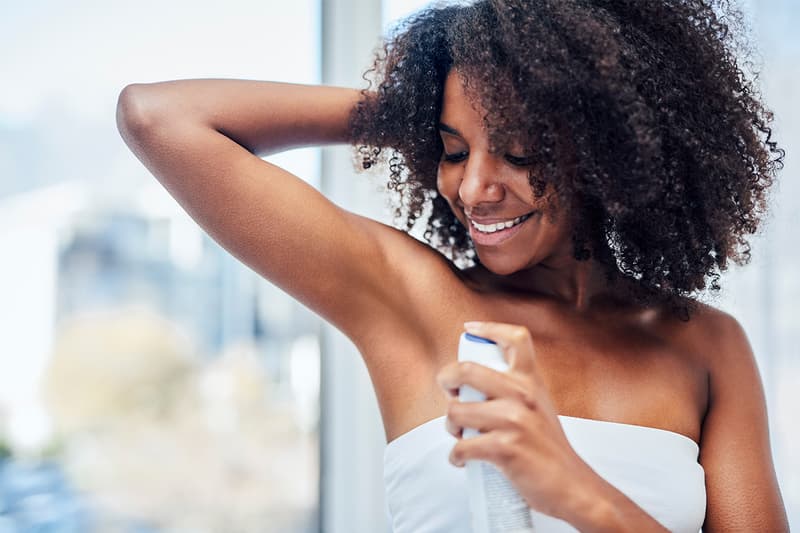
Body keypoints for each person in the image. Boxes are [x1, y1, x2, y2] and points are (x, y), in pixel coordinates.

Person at [115, 0, 789, 530]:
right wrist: (412, 106)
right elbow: (159, 117)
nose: (473, 189)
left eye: (518, 150)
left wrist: (579, 492)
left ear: (604, 142)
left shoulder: (703, 345)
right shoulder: (409, 298)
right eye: (454, 149)